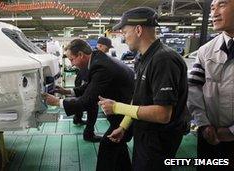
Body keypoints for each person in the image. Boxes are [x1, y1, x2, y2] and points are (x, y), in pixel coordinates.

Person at [98, 7, 188, 171]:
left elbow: (163, 114)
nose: (124, 38)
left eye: (125, 32)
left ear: (138, 30)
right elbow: (139, 97)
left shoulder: (164, 60)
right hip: (145, 133)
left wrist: (117, 107)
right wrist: (124, 126)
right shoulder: (142, 58)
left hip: (159, 140)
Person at [43, 39, 135, 170]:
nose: (72, 64)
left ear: (81, 54)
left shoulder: (101, 66)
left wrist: (58, 102)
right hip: (123, 112)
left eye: (72, 59)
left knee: (107, 148)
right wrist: (67, 91)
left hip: (127, 115)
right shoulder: (97, 59)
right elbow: (91, 86)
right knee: (118, 149)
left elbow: (87, 101)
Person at [187, 0, 234, 170]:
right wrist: (203, 123)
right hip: (210, 137)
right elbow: (194, 87)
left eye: (222, 5)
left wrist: (232, 131)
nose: (214, 13)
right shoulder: (205, 51)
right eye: (213, 7)